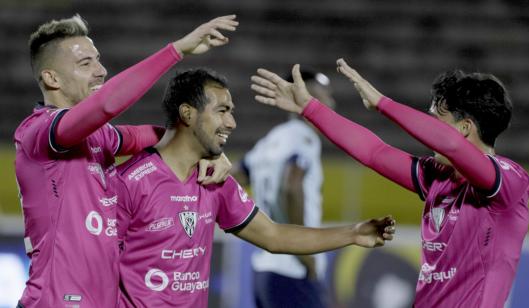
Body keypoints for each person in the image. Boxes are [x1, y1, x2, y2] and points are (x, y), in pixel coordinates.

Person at [251, 61, 529, 307]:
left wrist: (382, 104)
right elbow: (374, 152)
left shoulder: (509, 181)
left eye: (437, 119)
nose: (430, 124)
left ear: (465, 127)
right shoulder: (438, 177)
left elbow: (450, 145)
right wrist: (311, 109)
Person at [115, 68, 396, 308]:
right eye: (222, 111)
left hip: (267, 272)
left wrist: (354, 233)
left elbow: (273, 236)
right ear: (187, 113)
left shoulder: (215, 181)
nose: (232, 123)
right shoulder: (130, 181)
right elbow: (91, 263)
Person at [14, 14, 237, 308]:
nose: (101, 71)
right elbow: (107, 104)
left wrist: (210, 150)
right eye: (86, 64)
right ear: (51, 78)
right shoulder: (38, 132)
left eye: (98, 60)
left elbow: (158, 136)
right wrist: (177, 50)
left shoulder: (100, 136)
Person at [232, 69, 335, 308]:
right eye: (325, 96)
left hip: (265, 266)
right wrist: (304, 252)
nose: (332, 103)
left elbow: (233, 176)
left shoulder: (271, 139)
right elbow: (292, 184)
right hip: (293, 269)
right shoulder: (304, 138)